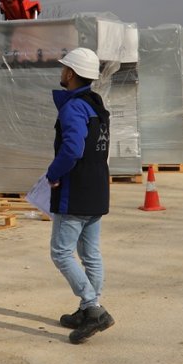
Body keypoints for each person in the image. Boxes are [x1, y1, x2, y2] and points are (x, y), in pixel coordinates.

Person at [46, 46, 115, 344]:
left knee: (61, 252)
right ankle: (88, 310)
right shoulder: (96, 105)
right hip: (97, 187)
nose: (61, 72)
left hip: (75, 190)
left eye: (64, 68)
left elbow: (72, 148)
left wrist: (54, 173)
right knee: (90, 254)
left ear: (71, 74)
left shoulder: (73, 107)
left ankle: (92, 307)